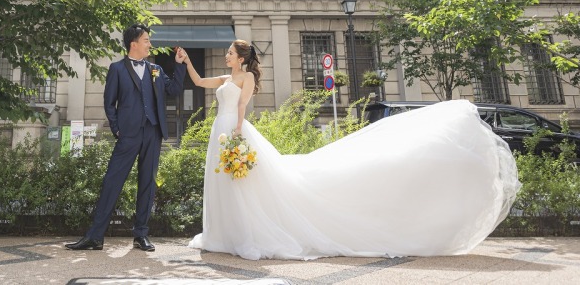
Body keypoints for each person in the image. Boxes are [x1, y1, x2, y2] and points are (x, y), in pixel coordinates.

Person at [176, 40, 521, 261]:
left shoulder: (245, 79)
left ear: (240, 58)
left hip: (234, 131)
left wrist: (238, 134)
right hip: (220, 130)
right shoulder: (225, 78)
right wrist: (187, 60)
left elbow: (242, 107)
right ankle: (223, 235)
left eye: (230, 53)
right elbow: (199, 82)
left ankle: (243, 235)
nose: (226, 56)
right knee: (225, 183)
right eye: (227, 53)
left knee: (244, 183)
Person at [66, 24, 187, 252]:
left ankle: (141, 235)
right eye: (146, 40)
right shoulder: (117, 69)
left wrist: (179, 65)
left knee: (147, 183)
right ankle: (95, 237)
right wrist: (117, 129)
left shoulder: (155, 69)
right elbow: (109, 103)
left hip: (152, 132)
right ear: (134, 44)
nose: (150, 44)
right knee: (112, 181)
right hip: (128, 134)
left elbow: (173, 90)